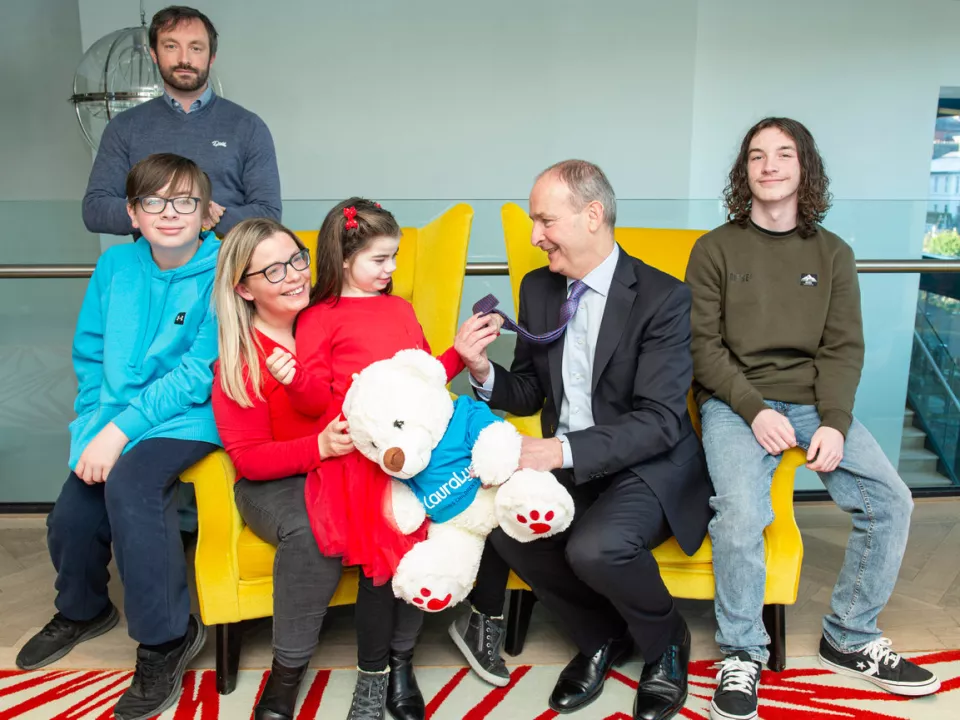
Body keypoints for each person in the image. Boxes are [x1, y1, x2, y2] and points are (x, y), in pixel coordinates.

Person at [685, 117, 941, 720]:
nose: (769, 165)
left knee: (892, 499)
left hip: (814, 403)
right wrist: (750, 409)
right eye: (756, 156)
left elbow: (842, 349)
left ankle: (849, 635)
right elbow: (701, 347)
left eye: (783, 154)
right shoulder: (715, 248)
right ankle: (743, 653)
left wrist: (834, 420)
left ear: (805, 168)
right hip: (735, 400)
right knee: (744, 513)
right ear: (743, 173)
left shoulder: (832, 254)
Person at [464, 160, 713, 720]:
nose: (535, 237)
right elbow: (528, 390)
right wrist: (481, 371)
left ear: (593, 215)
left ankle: (666, 640)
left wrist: (558, 451)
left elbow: (660, 420)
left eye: (545, 221)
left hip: (649, 464)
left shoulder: (662, 298)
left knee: (594, 547)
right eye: (534, 222)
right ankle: (601, 636)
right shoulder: (538, 288)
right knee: (503, 523)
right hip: (573, 462)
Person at [261, 198, 502, 719]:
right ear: (345, 259)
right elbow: (316, 403)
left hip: (416, 454)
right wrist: (294, 379)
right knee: (380, 570)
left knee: (419, 557)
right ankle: (373, 675)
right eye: (381, 259)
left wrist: (460, 351)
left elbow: (425, 383)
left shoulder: (400, 310)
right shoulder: (319, 318)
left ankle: (402, 664)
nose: (392, 269)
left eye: (394, 258)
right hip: (360, 462)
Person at [16, 153, 221, 720]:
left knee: (131, 487)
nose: (170, 212)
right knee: (72, 518)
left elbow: (199, 373)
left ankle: (166, 637)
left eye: (185, 201)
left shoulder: (225, 269)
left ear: (207, 214)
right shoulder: (114, 270)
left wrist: (120, 433)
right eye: (153, 201)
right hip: (112, 415)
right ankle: (84, 610)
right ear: (133, 213)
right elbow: (89, 354)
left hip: (189, 416)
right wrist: (93, 428)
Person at [82, 5, 281, 239]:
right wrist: (176, 209)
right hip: (154, 271)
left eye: (196, 48)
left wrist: (210, 217)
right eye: (171, 46)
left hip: (230, 269)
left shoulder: (248, 126)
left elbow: (269, 214)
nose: (184, 59)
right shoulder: (124, 127)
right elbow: (94, 210)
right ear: (154, 54)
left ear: (211, 57)